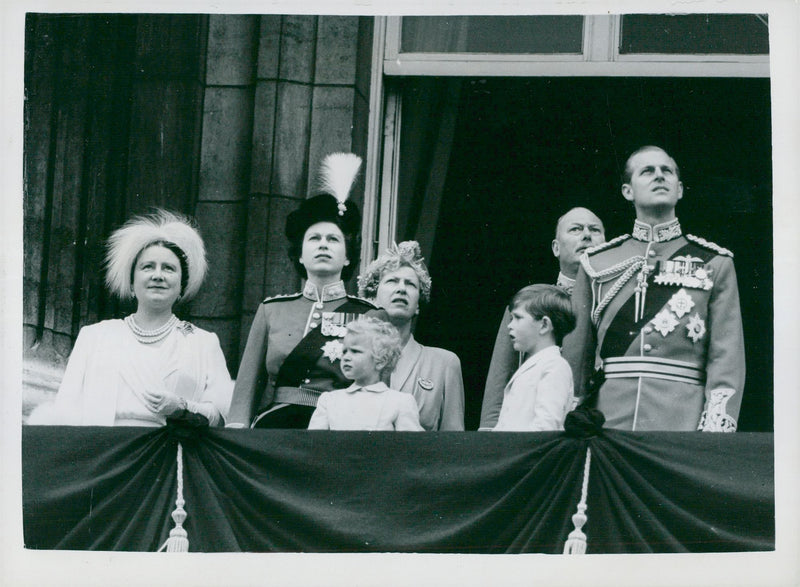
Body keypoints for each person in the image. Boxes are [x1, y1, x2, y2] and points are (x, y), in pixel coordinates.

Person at [563, 146, 745, 432]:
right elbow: (577, 353)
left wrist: (714, 429)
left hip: (681, 420)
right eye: (647, 171)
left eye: (667, 171)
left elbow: (726, 355)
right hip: (606, 419)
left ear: (680, 189)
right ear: (627, 191)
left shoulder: (715, 263)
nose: (659, 176)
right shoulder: (596, 263)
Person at [28, 210, 233, 426]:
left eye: (169, 268)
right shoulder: (95, 337)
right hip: (107, 452)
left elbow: (221, 418)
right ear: (132, 283)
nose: (158, 275)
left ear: (182, 286)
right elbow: (65, 412)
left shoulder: (202, 342)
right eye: (148, 267)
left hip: (172, 454)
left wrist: (181, 407)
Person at [228, 153, 376, 428]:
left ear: (347, 257)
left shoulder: (370, 315)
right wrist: (237, 430)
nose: (323, 245)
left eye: (333, 239)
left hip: (342, 427)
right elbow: (247, 388)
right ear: (299, 255)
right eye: (314, 239)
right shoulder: (272, 311)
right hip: (278, 426)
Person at [478, 207, 605, 430]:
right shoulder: (529, 304)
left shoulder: (616, 302)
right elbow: (500, 377)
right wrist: (489, 432)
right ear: (556, 248)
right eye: (575, 229)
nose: (586, 235)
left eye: (594, 230)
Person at [357, 241, 465, 430]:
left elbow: (453, 437)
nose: (401, 289)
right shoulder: (351, 356)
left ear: (418, 305)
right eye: (392, 281)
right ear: (372, 297)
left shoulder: (445, 363)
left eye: (410, 284)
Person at [308, 317, 424, 431]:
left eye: (355, 351)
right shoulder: (329, 400)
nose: (346, 357)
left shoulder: (400, 402)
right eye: (344, 351)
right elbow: (314, 443)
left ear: (381, 361)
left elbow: (410, 445)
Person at [493, 285, 576, 431]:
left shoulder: (554, 366)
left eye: (517, 318)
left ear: (544, 325)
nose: (509, 326)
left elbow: (546, 427)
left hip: (528, 452)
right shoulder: (536, 364)